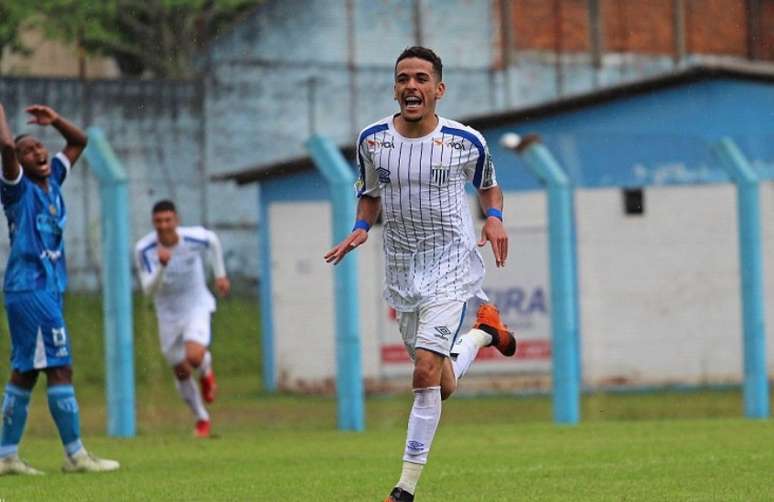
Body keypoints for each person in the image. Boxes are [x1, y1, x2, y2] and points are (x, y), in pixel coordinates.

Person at [324, 47, 517, 501]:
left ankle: (404, 490)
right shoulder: (372, 140)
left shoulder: (465, 141)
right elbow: (370, 195)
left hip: (452, 265)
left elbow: (488, 185)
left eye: (421, 78)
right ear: (395, 88)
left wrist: (494, 217)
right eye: (403, 78)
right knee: (440, 382)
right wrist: (358, 228)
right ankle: (484, 334)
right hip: (403, 269)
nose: (412, 85)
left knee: (425, 371)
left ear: (438, 89)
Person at [0, 103, 120, 475]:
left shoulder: (52, 182)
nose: (39, 152)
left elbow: (78, 141)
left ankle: (6, 456)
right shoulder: (18, 190)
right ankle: (75, 455)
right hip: (31, 288)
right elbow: (5, 146)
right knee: (61, 367)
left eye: (40, 146)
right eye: (29, 151)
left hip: (43, 290)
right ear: (18, 163)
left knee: (26, 372)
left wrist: (56, 121)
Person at [134, 200, 230, 438]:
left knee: (194, 356)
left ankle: (206, 368)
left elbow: (214, 241)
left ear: (176, 220)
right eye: (159, 221)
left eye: (168, 220)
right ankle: (202, 418)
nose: (164, 226)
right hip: (167, 313)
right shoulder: (144, 249)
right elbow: (148, 290)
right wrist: (162, 267)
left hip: (195, 304)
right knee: (181, 370)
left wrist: (220, 275)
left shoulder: (194, 238)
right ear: (153, 223)